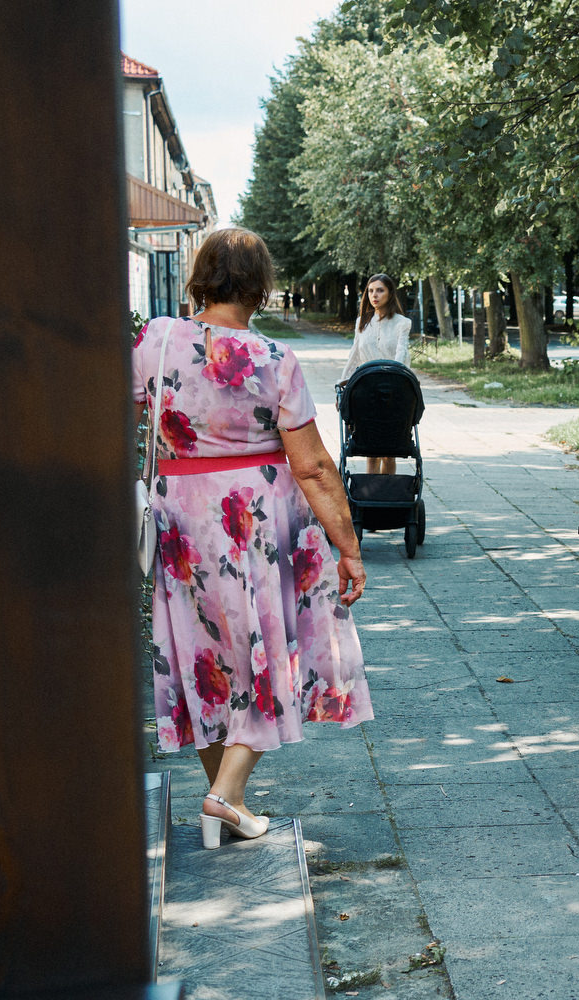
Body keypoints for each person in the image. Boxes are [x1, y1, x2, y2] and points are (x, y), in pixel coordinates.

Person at [134, 227, 372, 849]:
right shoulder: (272, 359)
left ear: (200, 278)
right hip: (255, 523)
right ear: (261, 287)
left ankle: (227, 802)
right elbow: (312, 466)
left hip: (180, 522)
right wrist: (348, 547)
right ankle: (223, 796)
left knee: (204, 657)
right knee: (269, 653)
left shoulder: (156, 340)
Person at [340, 273, 412, 476]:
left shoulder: (402, 323)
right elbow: (354, 355)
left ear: (390, 293)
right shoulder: (362, 322)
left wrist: (396, 379)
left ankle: (388, 489)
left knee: (389, 452)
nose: (375, 295)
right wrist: (342, 384)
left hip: (393, 392)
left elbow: (401, 355)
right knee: (370, 450)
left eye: (380, 290)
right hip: (367, 392)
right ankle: (371, 489)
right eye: (371, 291)